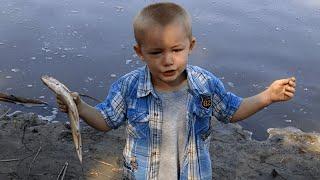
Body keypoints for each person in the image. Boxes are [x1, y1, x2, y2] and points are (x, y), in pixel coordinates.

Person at [56, 2, 296, 179]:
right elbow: (106, 120)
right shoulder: (128, 87)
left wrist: (267, 96)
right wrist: (80, 108)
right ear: (140, 52)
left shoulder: (205, 84)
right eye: (156, 52)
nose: (168, 60)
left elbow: (232, 111)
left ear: (190, 46)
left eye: (176, 50)